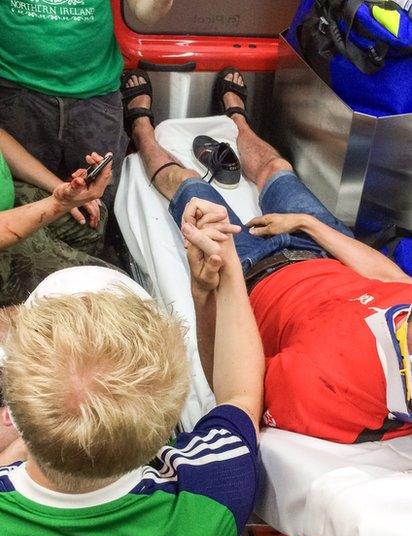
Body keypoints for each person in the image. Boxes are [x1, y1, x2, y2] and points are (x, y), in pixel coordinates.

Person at [126, 67, 412, 444]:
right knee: (277, 169)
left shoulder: (326, 393)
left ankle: (140, 128)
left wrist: (211, 289)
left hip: (251, 270)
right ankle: (238, 118)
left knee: (189, 186)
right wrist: (309, 225)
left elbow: (230, 390)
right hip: (323, 249)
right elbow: (395, 280)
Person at [0, 261, 263, 536]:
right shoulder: (211, 497)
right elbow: (241, 396)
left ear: (11, 414)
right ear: (166, 434)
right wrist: (226, 274)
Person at [0, 0, 174, 207]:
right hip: (17, 91)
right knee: (23, 202)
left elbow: (146, 13)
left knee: (96, 204)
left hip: (96, 94)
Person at [0, 138, 114, 306]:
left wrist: (61, 188)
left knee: (93, 220)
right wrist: (60, 203)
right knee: (111, 295)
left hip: (9, 201)